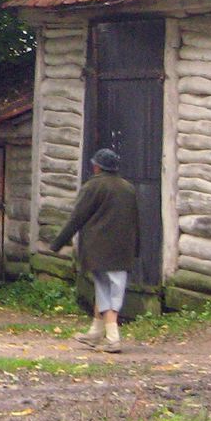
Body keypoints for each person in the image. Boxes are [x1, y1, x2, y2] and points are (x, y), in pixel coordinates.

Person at [48, 146, 141, 353]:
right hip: (123, 249)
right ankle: (95, 332)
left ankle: (113, 337)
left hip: (99, 249)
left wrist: (57, 243)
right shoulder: (128, 188)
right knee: (112, 289)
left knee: (105, 291)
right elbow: (136, 221)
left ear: (97, 167)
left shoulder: (93, 187)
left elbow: (77, 217)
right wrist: (136, 248)